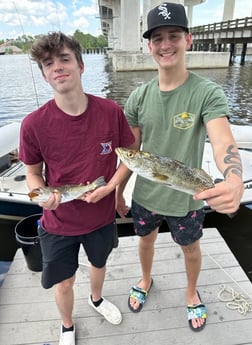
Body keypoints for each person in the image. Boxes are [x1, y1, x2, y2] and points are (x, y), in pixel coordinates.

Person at [116, 2, 244, 332]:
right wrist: (117, 191)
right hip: (146, 195)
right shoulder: (138, 98)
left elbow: (222, 141)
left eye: (174, 35)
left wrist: (233, 177)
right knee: (145, 240)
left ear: (188, 40)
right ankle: (145, 280)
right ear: (149, 46)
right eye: (157, 38)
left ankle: (190, 294)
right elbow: (132, 152)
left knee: (191, 248)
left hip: (187, 198)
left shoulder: (207, 92)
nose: (165, 44)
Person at [19, 32, 135, 345]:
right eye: (48, 63)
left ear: (81, 66)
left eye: (64, 58)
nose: (57, 66)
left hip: (100, 218)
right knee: (64, 281)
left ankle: (96, 300)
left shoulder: (111, 111)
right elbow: (32, 173)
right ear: (44, 74)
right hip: (58, 224)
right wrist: (43, 196)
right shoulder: (32, 124)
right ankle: (67, 326)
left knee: (100, 264)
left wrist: (111, 187)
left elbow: (130, 158)